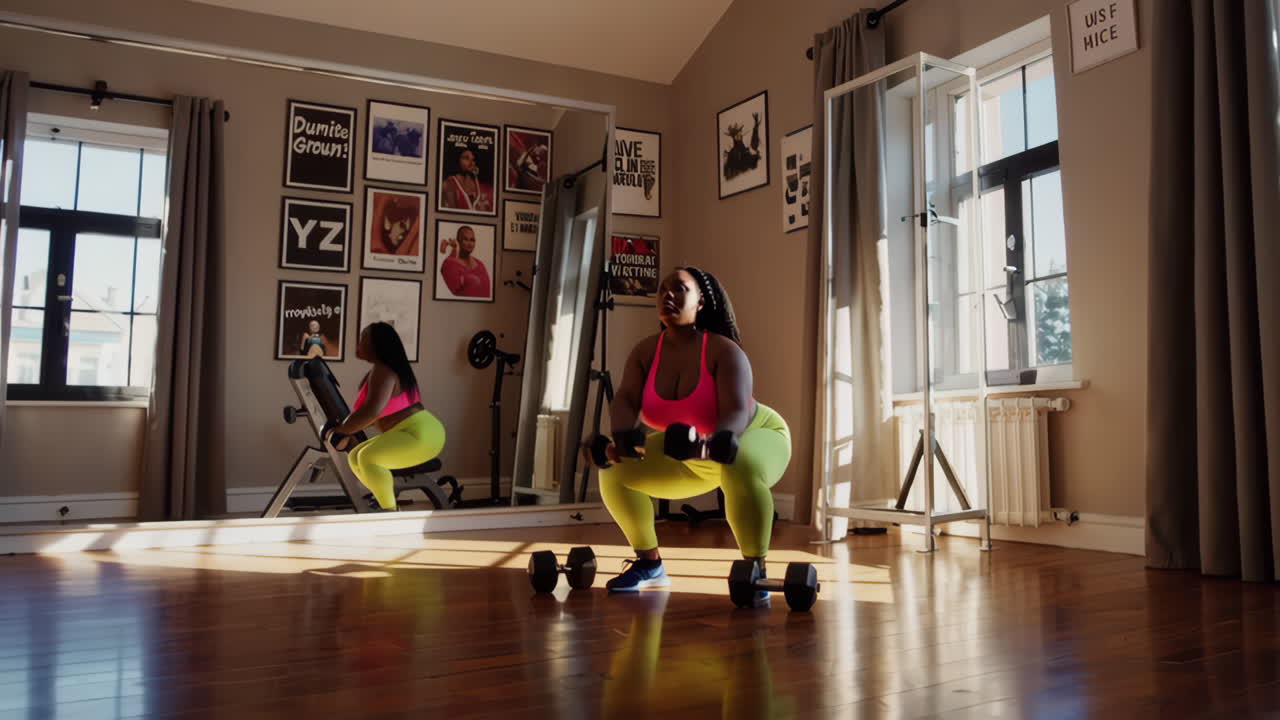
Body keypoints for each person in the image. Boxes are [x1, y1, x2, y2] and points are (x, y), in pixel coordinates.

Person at [596, 267, 791, 605]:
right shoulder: (646, 352)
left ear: (701, 302)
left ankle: (754, 569)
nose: (668, 295)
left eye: (680, 289)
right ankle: (649, 564)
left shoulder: (722, 350)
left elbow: (736, 412)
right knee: (615, 472)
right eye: (662, 290)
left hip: (756, 434)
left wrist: (722, 439)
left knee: (739, 461)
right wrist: (623, 439)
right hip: (694, 452)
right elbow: (626, 399)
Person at [322, 322, 445, 510]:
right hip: (414, 431)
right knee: (355, 456)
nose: (359, 342)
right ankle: (384, 500)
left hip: (420, 433)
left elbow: (372, 411)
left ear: (377, 344)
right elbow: (374, 415)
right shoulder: (381, 370)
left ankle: (389, 513)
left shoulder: (384, 370)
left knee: (368, 458)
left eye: (364, 338)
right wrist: (345, 430)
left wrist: (343, 430)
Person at [439, 225, 491, 298]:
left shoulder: (480, 264)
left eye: (472, 240)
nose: (469, 244)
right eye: (465, 239)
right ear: (458, 241)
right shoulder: (449, 263)